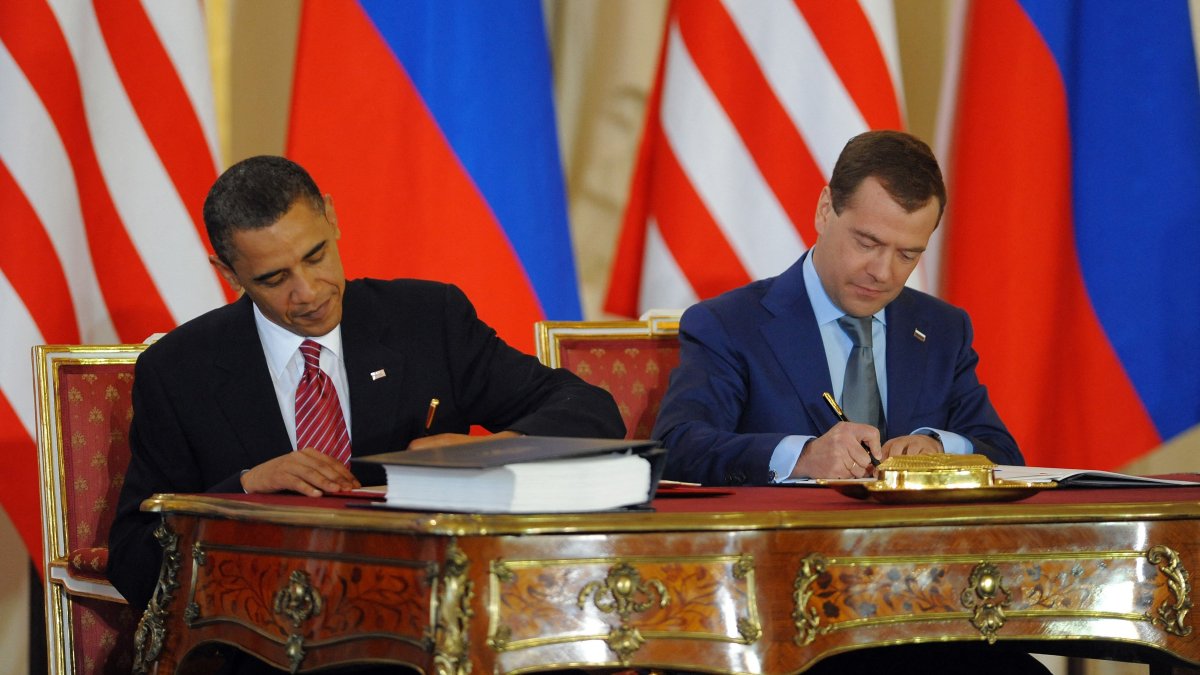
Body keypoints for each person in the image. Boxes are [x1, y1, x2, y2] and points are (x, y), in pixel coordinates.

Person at [109, 156, 625, 616]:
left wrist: (492, 450)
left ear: (332, 218)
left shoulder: (427, 320)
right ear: (228, 273)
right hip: (265, 637)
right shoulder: (179, 371)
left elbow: (590, 412)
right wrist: (243, 489)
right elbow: (135, 559)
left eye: (315, 256)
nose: (307, 292)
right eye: (273, 278)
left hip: (431, 620)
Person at [653, 130, 1023, 484]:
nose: (883, 272)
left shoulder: (942, 328)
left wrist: (940, 447)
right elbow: (679, 446)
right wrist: (802, 456)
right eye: (866, 243)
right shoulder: (728, 324)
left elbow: (1004, 454)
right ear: (825, 210)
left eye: (908, 255)